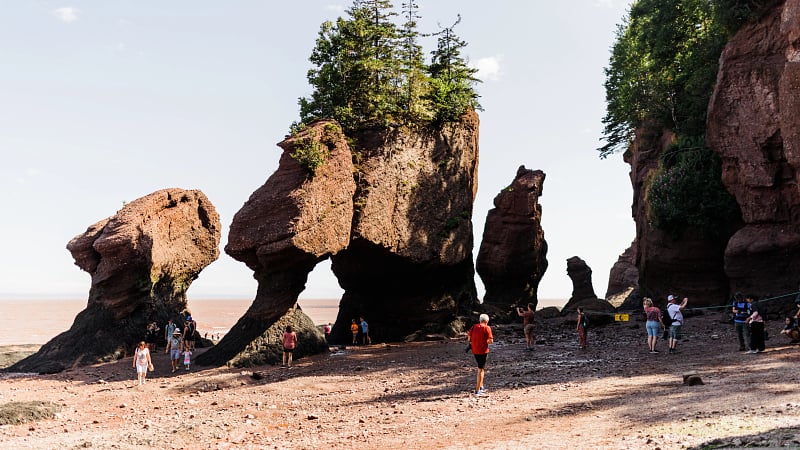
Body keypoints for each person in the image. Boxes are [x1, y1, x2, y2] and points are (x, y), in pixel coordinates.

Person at [467, 314, 494, 397]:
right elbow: (490, 341)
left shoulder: (474, 327)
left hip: (475, 351)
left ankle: (481, 386)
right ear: (487, 321)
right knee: (480, 370)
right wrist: (485, 341)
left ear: (480, 320)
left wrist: (474, 342)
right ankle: (477, 390)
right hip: (483, 351)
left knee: (481, 367)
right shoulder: (487, 328)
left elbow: (469, 338)